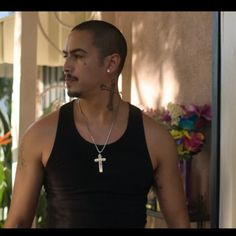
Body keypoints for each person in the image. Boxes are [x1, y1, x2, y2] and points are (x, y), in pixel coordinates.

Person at [4, 20, 190, 228]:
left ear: (111, 63)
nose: (66, 66)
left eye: (78, 56)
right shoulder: (41, 135)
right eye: (67, 56)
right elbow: (18, 222)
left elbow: (180, 223)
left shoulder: (155, 139)